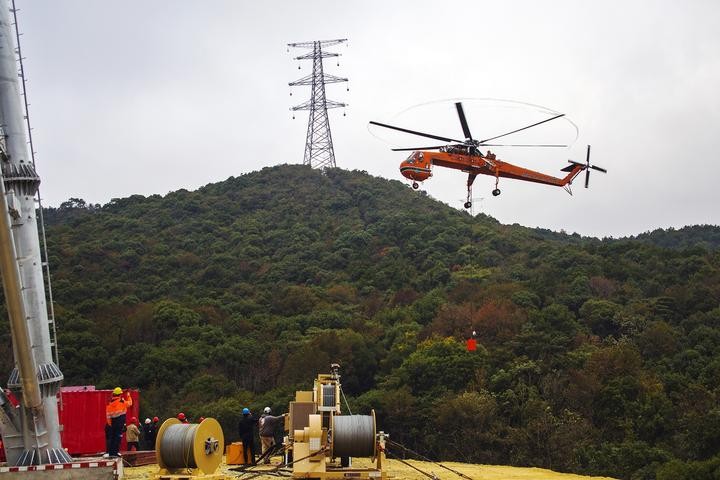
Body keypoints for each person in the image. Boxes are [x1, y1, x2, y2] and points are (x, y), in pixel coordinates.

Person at [105, 387, 133, 457]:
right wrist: (128, 395)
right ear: (120, 394)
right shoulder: (121, 401)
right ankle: (115, 452)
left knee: (112, 437)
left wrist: (110, 424)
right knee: (118, 437)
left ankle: (111, 453)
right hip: (120, 421)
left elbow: (108, 416)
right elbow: (130, 403)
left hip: (112, 423)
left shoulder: (109, 403)